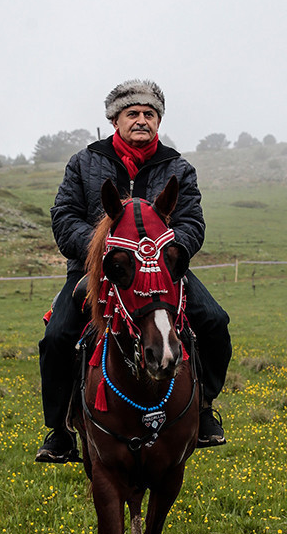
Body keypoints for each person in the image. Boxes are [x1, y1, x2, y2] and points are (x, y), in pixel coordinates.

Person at [36, 79, 232, 463]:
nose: (142, 120)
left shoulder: (178, 167)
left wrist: (166, 253)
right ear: (116, 120)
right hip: (98, 269)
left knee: (213, 321)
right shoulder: (84, 162)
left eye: (149, 114)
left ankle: (204, 407)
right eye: (133, 113)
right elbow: (65, 217)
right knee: (58, 336)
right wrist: (106, 253)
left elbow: (192, 223)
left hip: (162, 271)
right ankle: (59, 430)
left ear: (158, 120)